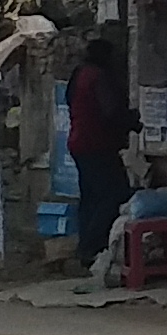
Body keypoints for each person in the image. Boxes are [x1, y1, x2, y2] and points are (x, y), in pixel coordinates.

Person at [67, 30, 132, 262]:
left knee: (90, 196)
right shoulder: (99, 76)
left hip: (78, 142)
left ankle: (85, 247)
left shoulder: (78, 74)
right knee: (115, 194)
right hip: (97, 144)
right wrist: (132, 121)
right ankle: (92, 246)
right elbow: (111, 111)